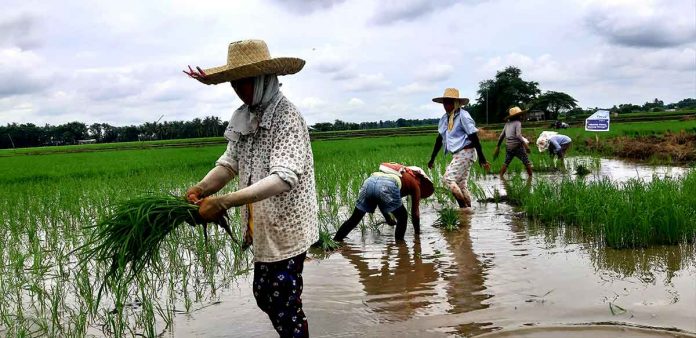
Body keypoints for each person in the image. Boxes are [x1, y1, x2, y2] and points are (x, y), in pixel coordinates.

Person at [183, 39, 317, 338]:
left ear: (262, 79)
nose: (237, 88)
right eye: (234, 82)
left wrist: (225, 202)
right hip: (262, 224)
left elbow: (284, 177)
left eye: (243, 81)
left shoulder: (287, 116)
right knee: (264, 293)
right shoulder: (245, 115)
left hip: (287, 225)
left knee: (282, 301)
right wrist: (203, 188)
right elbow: (230, 164)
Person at [333, 163, 434, 242]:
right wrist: (417, 234)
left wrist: (388, 218)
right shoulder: (415, 183)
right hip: (387, 184)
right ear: (419, 177)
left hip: (369, 181)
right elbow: (415, 214)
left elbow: (381, 198)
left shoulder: (397, 173)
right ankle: (400, 246)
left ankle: (336, 241)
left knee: (354, 219)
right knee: (403, 217)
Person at [427, 88, 490, 214]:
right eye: (445, 103)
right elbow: (439, 139)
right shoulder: (445, 118)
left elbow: (474, 137)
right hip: (459, 153)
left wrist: (482, 158)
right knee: (461, 185)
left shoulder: (463, 116)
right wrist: (432, 158)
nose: (446, 105)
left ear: (456, 103)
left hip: (466, 151)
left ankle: (463, 209)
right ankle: (469, 211)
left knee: (448, 179)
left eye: (449, 102)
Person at [494, 106, 533, 178]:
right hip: (517, 146)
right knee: (526, 162)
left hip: (509, 147)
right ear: (518, 116)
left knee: (506, 162)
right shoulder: (518, 122)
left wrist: (497, 146)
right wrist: (526, 146)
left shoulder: (507, 124)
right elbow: (518, 135)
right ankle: (531, 178)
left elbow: (501, 136)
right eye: (521, 115)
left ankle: (501, 177)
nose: (522, 116)